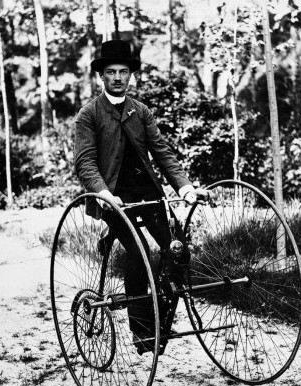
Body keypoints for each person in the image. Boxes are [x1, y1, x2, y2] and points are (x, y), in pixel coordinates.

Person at [73, 39, 208, 353]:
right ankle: (143, 333)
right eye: (111, 72)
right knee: (139, 254)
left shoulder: (141, 111)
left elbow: (162, 153)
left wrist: (184, 187)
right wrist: (104, 194)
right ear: (101, 77)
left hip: (147, 194)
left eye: (124, 71)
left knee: (177, 251)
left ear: (130, 75)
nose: (118, 77)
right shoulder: (89, 115)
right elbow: (85, 162)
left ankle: (162, 310)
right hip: (114, 199)